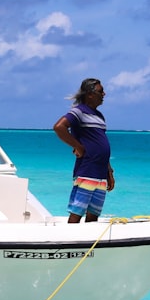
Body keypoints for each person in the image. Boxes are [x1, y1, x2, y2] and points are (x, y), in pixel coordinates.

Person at [52, 78, 115, 223]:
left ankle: (87, 243)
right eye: (100, 91)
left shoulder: (99, 116)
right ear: (90, 94)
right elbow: (59, 127)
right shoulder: (78, 112)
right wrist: (78, 146)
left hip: (100, 174)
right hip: (87, 171)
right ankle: (68, 242)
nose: (104, 94)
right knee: (77, 212)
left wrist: (109, 171)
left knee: (94, 214)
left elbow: (100, 144)